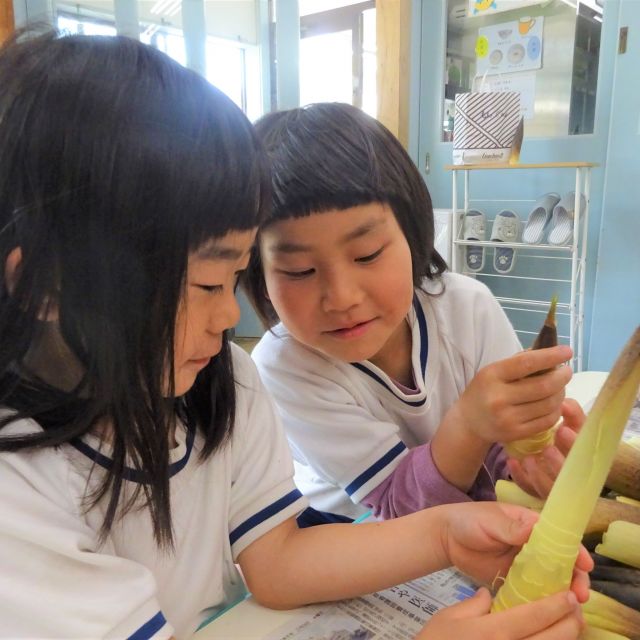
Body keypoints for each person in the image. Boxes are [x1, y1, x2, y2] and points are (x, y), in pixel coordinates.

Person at [0, 33, 589, 640]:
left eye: (233, 279)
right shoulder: (15, 492)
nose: (231, 317)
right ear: (49, 284)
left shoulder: (222, 380)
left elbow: (276, 561)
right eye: (206, 284)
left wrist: (444, 535)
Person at [244, 103, 582, 526]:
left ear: (413, 233)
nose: (341, 297)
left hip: (463, 515)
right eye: (300, 271)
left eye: (366, 255)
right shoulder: (285, 366)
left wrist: (536, 458)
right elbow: (397, 504)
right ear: (257, 273)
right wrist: (470, 425)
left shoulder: (467, 307)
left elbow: (502, 454)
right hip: (349, 532)